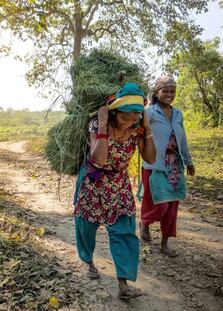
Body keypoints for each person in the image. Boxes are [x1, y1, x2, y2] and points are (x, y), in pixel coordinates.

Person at [73, 83, 156, 300]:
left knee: (124, 231)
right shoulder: (98, 124)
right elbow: (99, 159)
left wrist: (148, 131)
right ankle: (88, 259)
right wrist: (101, 128)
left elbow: (150, 158)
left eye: (135, 117)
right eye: (124, 117)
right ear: (114, 113)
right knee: (86, 226)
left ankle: (124, 283)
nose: (129, 122)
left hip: (119, 185)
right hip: (93, 182)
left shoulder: (138, 129)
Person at [140, 75, 195, 257]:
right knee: (158, 205)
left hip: (174, 166)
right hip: (154, 165)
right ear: (157, 92)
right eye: (165, 91)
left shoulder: (178, 114)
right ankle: (145, 222)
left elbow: (183, 139)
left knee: (172, 208)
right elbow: (139, 135)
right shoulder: (149, 112)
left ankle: (165, 244)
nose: (169, 94)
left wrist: (188, 161)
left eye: (172, 91)